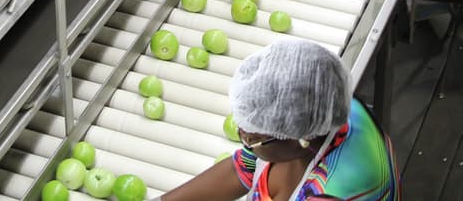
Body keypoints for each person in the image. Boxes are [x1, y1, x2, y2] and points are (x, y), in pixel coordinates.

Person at [160, 38, 398, 201]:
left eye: (252, 139)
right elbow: (244, 167)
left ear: (301, 138)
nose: (245, 142)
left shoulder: (329, 193)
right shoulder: (325, 108)